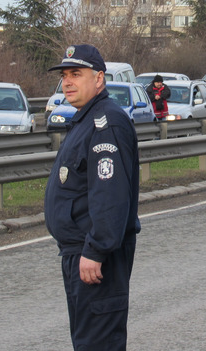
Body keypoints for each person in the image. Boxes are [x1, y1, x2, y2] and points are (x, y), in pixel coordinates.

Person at [44, 44, 141, 351]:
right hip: (80, 252)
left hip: (96, 257)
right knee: (88, 342)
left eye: (76, 74)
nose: (67, 82)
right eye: (64, 75)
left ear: (99, 79)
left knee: (97, 344)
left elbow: (109, 195)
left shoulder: (105, 123)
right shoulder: (86, 119)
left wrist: (96, 249)